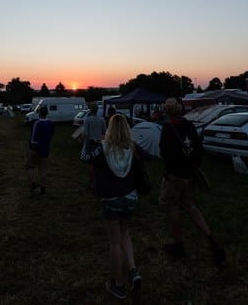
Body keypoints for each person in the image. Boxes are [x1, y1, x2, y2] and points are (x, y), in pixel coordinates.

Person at [80, 114, 144, 300]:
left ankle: (118, 284)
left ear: (109, 129)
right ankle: (133, 271)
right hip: (130, 198)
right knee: (125, 233)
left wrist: (87, 141)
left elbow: (84, 158)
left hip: (111, 200)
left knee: (115, 241)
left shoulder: (102, 148)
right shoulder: (132, 147)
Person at [158, 97, 226, 268]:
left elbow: (164, 153)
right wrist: (195, 167)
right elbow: (198, 147)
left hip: (175, 175)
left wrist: (168, 172)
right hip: (190, 174)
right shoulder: (189, 125)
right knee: (190, 206)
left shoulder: (167, 128)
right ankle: (211, 239)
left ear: (167, 112)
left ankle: (179, 245)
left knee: (173, 207)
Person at [26, 106, 55, 195]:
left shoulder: (37, 123)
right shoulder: (51, 123)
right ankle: (43, 189)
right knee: (43, 169)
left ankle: (33, 183)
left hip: (36, 150)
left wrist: (33, 150)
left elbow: (33, 140)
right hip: (45, 150)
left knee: (30, 167)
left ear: (39, 113)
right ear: (47, 113)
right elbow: (51, 135)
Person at [83, 102, 107, 191]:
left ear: (90, 110)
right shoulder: (101, 119)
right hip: (100, 144)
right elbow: (105, 132)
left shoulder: (87, 120)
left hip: (90, 144)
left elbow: (85, 134)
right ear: (97, 110)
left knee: (91, 165)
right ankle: (99, 183)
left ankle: (92, 184)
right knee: (99, 164)